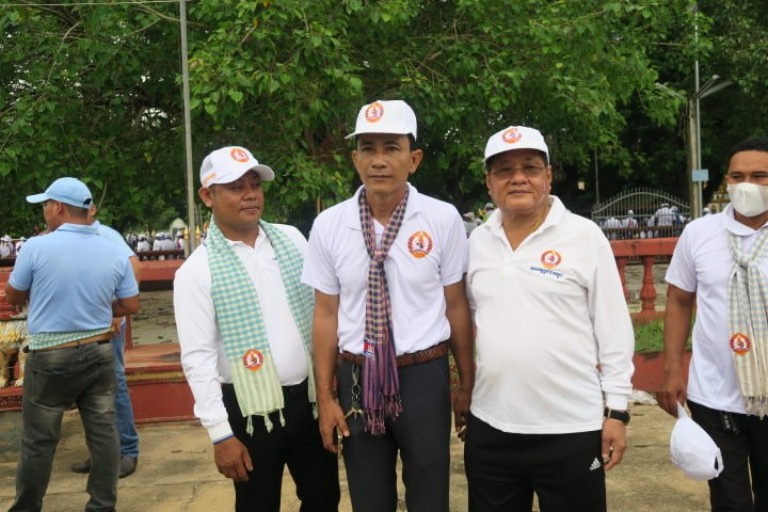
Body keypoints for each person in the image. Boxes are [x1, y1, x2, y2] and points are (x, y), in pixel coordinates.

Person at [301, 99, 475, 512]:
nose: (379, 160)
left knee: (430, 496)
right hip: (357, 378)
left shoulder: (441, 218)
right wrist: (325, 396)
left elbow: (456, 306)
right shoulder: (330, 225)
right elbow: (325, 314)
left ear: (414, 159)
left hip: (424, 377)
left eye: (391, 148)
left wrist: (466, 383)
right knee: (369, 498)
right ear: (355, 159)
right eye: (368, 148)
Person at [464, 125, 635, 512]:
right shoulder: (478, 242)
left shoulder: (584, 237)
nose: (518, 178)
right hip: (491, 427)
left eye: (530, 167)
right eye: (504, 170)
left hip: (571, 427)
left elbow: (613, 330)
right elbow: (472, 320)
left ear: (549, 176)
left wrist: (617, 411)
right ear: (489, 182)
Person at [173, 146, 339, 512]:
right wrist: (221, 434)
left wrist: (330, 391)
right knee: (257, 505)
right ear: (207, 196)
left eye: (255, 185)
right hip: (251, 413)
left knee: (324, 498)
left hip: (309, 400)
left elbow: (322, 311)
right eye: (236, 187)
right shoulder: (197, 272)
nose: (250, 194)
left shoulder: (291, 240)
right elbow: (198, 358)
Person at [5, 177, 139, 512]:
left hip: (50, 356)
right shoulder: (113, 248)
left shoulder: (36, 247)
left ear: (58, 207)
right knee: (104, 434)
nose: (44, 211)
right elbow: (130, 304)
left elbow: (13, 296)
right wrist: (96, 308)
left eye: (46, 205)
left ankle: (26, 508)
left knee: (38, 441)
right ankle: (102, 505)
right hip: (98, 350)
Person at [658, 137, 768, 512]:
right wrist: (672, 368)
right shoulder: (699, 233)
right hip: (715, 394)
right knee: (729, 500)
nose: (747, 185)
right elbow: (679, 299)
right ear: (726, 181)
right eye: (737, 176)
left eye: (760, 176)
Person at [70, 205, 142, 478]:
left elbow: (135, 267)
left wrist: (117, 311)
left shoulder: (106, 235)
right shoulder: (75, 237)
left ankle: (127, 450)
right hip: (83, 325)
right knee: (89, 387)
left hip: (106, 324)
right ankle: (102, 452)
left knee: (114, 382)